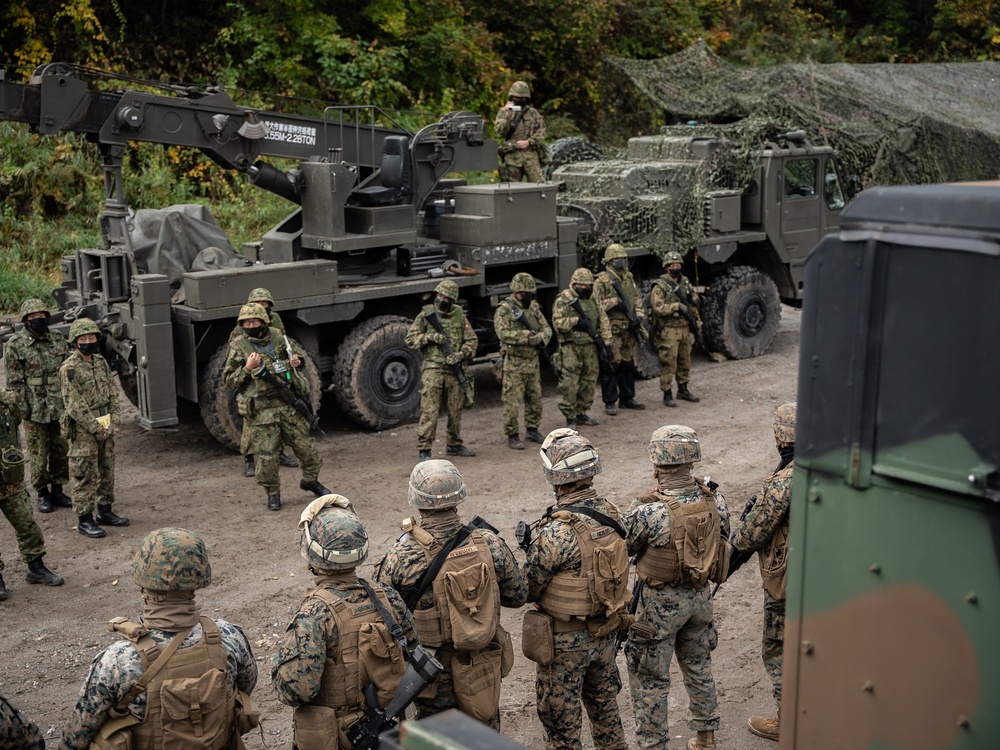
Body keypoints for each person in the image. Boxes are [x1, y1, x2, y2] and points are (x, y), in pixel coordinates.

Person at [60, 527, 259, 750]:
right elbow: (245, 687)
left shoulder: (118, 659)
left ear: (143, 580)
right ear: (198, 577)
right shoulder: (228, 636)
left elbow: (77, 736)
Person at [376, 459, 526, 727]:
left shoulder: (401, 555)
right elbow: (518, 595)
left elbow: (384, 621)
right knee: (485, 736)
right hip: (482, 666)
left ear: (418, 502)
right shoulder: (488, 542)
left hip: (431, 674)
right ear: (459, 497)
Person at [272, 494, 418, 748]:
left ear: (312, 554)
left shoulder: (314, 614)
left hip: (340, 737)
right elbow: (413, 648)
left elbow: (296, 691)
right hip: (388, 730)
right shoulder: (387, 597)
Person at [622, 425, 730, 750]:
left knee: (650, 679)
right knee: (699, 667)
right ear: (692, 460)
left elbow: (623, 547)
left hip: (658, 606)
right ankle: (706, 737)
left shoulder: (648, 511)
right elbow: (724, 537)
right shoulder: (715, 500)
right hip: (700, 598)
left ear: (657, 464)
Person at [521, 429, 629, 750]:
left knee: (562, 733)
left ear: (556, 480)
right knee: (607, 717)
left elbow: (528, 588)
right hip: (605, 635)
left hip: (564, 646)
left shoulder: (555, 532)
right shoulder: (613, 513)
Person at [223, 303, 330, 511]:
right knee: (267, 456)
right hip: (262, 411)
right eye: (246, 322)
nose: (250, 325)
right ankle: (273, 493)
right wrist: (247, 368)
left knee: (307, 447)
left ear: (263, 322)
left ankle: (310, 480)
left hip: (287, 404)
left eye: (254, 321)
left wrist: (296, 361)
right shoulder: (238, 347)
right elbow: (229, 380)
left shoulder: (278, 337)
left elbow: (298, 356)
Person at [731, 403, 795, 742]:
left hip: (788, 583)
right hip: (828, 578)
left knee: (779, 648)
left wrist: (742, 525)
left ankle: (789, 722)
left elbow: (750, 535)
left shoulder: (784, 482)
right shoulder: (830, 469)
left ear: (780, 437)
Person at [59, 318, 128, 538]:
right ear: (75, 341)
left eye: (91, 337)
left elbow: (112, 391)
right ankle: (85, 519)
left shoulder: (100, 361)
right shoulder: (69, 368)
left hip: (106, 422)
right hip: (83, 429)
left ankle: (105, 511)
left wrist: (115, 419)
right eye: (83, 338)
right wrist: (94, 427)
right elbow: (74, 404)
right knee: (84, 474)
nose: (88, 341)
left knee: (106, 468)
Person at [4, 297, 73, 513]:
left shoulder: (57, 339)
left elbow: (67, 370)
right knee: (38, 453)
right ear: (25, 320)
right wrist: (21, 410)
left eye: (41, 316)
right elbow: (14, 383)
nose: (37, 320)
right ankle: (42, 492)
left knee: (60, 449)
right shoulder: (15, 344)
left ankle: (58, 489)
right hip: (34, 406)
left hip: (58, 404)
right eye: (32, 317)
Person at [0, 387, 64, 601]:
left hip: (11, 481)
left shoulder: (7, 399)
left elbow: (16, 423)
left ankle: (36, 567)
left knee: (27, 523)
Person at [405, 280, 478, 461]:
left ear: (452, 299)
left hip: (454, 370)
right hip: (433, 370)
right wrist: (429, 337)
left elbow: (472, 341)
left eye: (446, 297)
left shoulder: (460, 315)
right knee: (430, 411)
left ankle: (454, 444)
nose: (441, 299)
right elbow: (410, 339)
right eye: (439, 295)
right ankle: (424, 450)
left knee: (455, 410)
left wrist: (461, 355)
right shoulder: (426, 315)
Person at [229, 288, 298, 477]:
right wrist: (247, 370)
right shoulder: (242, 326)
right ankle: (249, 460)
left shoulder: (274, 320)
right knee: (250, 422)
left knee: (278, 418)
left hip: (273, 375)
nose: (262, 309)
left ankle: (279, 453)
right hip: (251, 377)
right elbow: (235, 354)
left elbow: (282, 341)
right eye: (258, 305)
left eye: (265, 306)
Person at [494, 272, 552, 449]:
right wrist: (525, 336)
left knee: (535, 399)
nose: (527, 296)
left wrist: (541, 337)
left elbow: (547, 329)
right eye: (524, 293)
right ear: (516, 292)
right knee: (512, 402)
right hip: (514, 364)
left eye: (530, 293)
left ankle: (532, 429)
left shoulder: (533, 308)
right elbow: (502, 333)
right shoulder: (505, 309)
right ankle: (512, 434)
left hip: (532, 362)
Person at [551, 268, 611, 427]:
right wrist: (576, 321)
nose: (586, 289)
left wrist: (607, 343)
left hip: (590, 346)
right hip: (571, 347)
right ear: (574, 284)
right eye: (582, 286)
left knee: (589, 380)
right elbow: (558, 323)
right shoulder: (563, 299)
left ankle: (581, 413)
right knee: (570, 382)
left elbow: (603, 320)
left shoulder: (593, 298)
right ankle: (570, 416)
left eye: (588, 285)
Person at [594, 244, 647, 415]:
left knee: (627, 364)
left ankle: (627, 397)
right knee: (611, 365)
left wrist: (639, 317)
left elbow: (637, 299)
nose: (621, 262)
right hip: (612, 329)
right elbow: (596, 306)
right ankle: (610, 401)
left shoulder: (628, 278)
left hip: (628, 328)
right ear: (609, 261)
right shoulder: (601, 281)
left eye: (623, 259)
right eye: (617, 259)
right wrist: (614, 302)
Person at [649, 251, 700, 407]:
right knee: (669, 362)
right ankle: (667, 393)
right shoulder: (660, 286)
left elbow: (694, 299)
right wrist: (676, 306)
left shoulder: (684, 282)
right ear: (666, 267)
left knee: (685, 361)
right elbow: (658, 308)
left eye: (678, 265)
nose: (676, 268)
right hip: (669, 329)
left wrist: (693, 300)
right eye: (672, 265)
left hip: (684, 328)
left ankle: (683, 389)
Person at [494, 80, 547, 183]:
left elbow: (541, 130)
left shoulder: (533, 113)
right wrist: (508, 115)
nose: (519, 100)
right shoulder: (504, 112)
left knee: (539, 185)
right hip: (512, 155)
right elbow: (500, 131)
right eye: (517, 98)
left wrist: (529, 142)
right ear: (511, 97)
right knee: (510, 188)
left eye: (522, 98)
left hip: (530, 156)